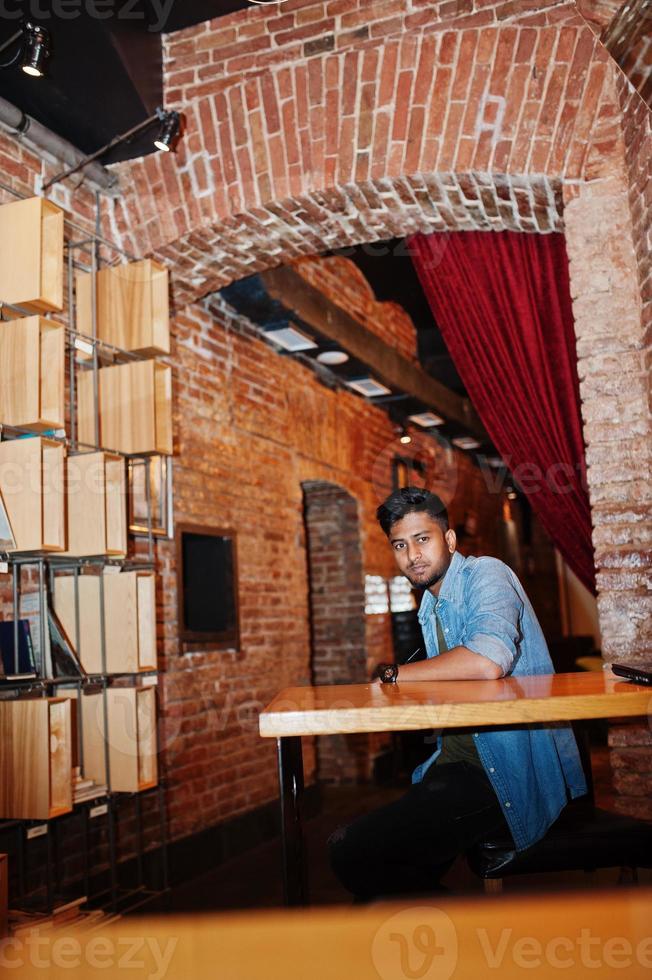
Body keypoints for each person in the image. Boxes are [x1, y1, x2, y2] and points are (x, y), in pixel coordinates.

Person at [329, 486, 587, 900]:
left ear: (449, 540)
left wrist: (396, 675)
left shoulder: (487, 573)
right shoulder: (431, 606)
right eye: (400, 545)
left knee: (351, 850)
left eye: (422, 539)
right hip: (455, 762)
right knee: (386, 872)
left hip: (506, 769)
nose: (413, 555)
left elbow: (488, 660)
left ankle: (473, 948)